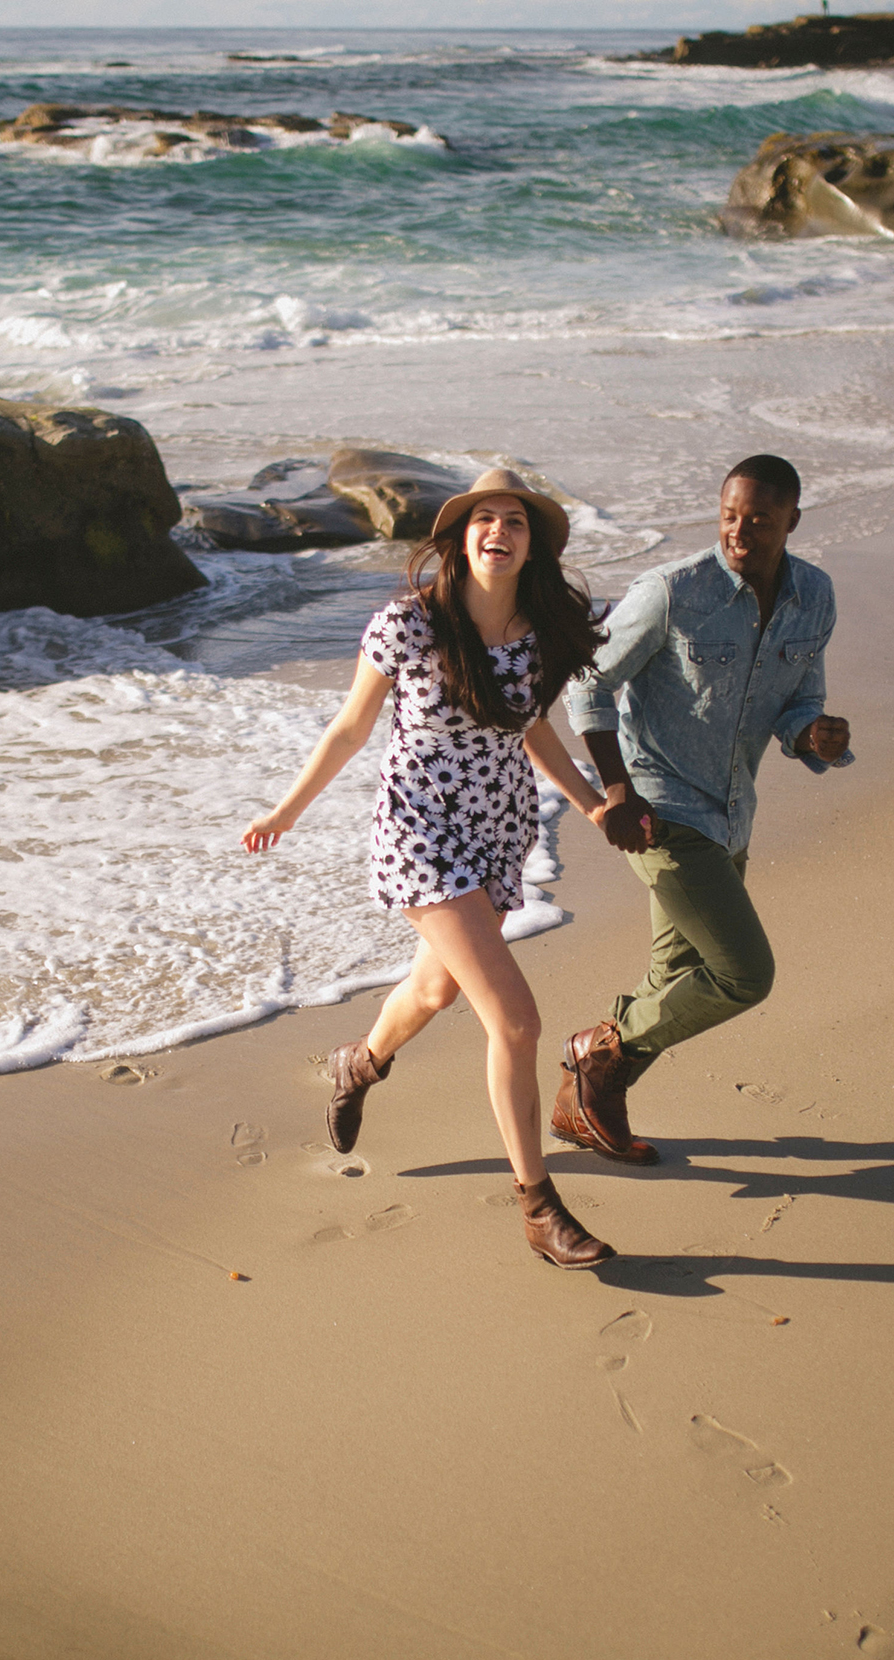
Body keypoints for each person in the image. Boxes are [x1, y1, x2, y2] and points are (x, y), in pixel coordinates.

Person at [243, 468, 624, 1269]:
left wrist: (590, 804)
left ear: (532, 544)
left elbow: (533, 731)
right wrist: (284, 812)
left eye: (514, 521)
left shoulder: (537, 630)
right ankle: (538, 1207)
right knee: (515, 1019)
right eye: (483, 519)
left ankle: (360, 1063)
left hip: (496, 831)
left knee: (435, 987)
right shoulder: (409, 625)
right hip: (420, 834)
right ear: (458, 539)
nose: (498, 531)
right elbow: (350, 729)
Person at [549, 453, 852, 1164]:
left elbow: (799, 699)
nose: (739, 532)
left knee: (673, 978)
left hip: (732, 810)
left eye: (759, 520)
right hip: (659, 807)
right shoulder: (671, 591)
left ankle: (582, 1108)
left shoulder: (815, 595)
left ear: (791, 522)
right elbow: (586, 682)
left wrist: (815, 733)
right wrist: (615, 791)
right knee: (744, 973)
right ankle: (599, 1056)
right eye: (728, 516)